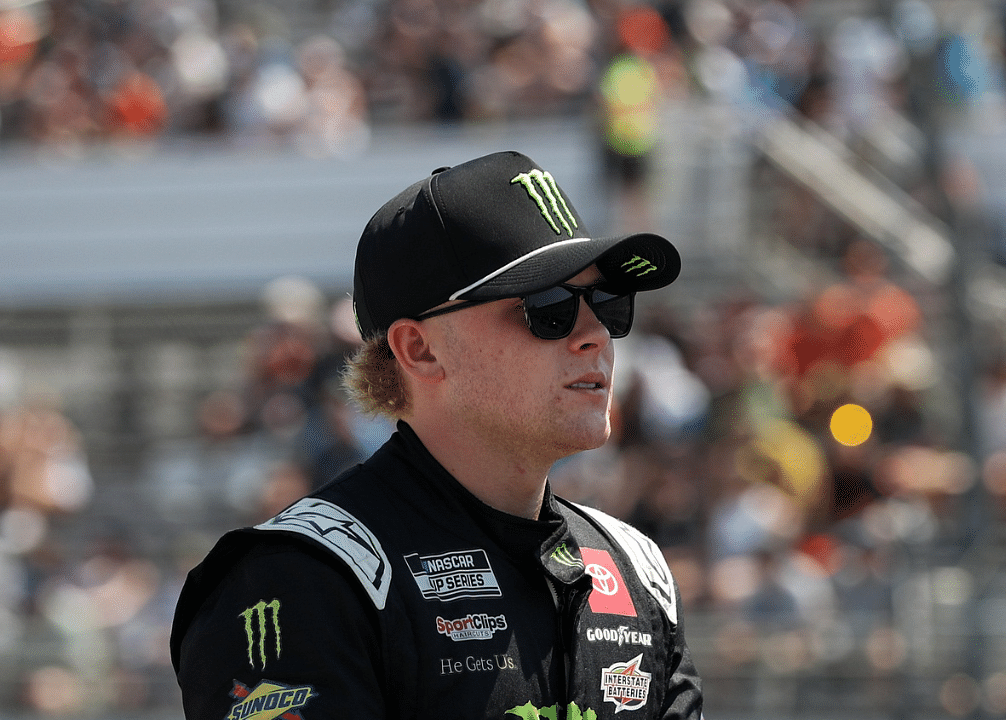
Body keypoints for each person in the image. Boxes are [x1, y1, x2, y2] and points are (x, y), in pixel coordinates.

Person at [169, 150, 703, 720]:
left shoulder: (635, 569)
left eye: (607, 302)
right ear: (419, 350)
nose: (595, 333)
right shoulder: (300, 579)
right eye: (549, 308)